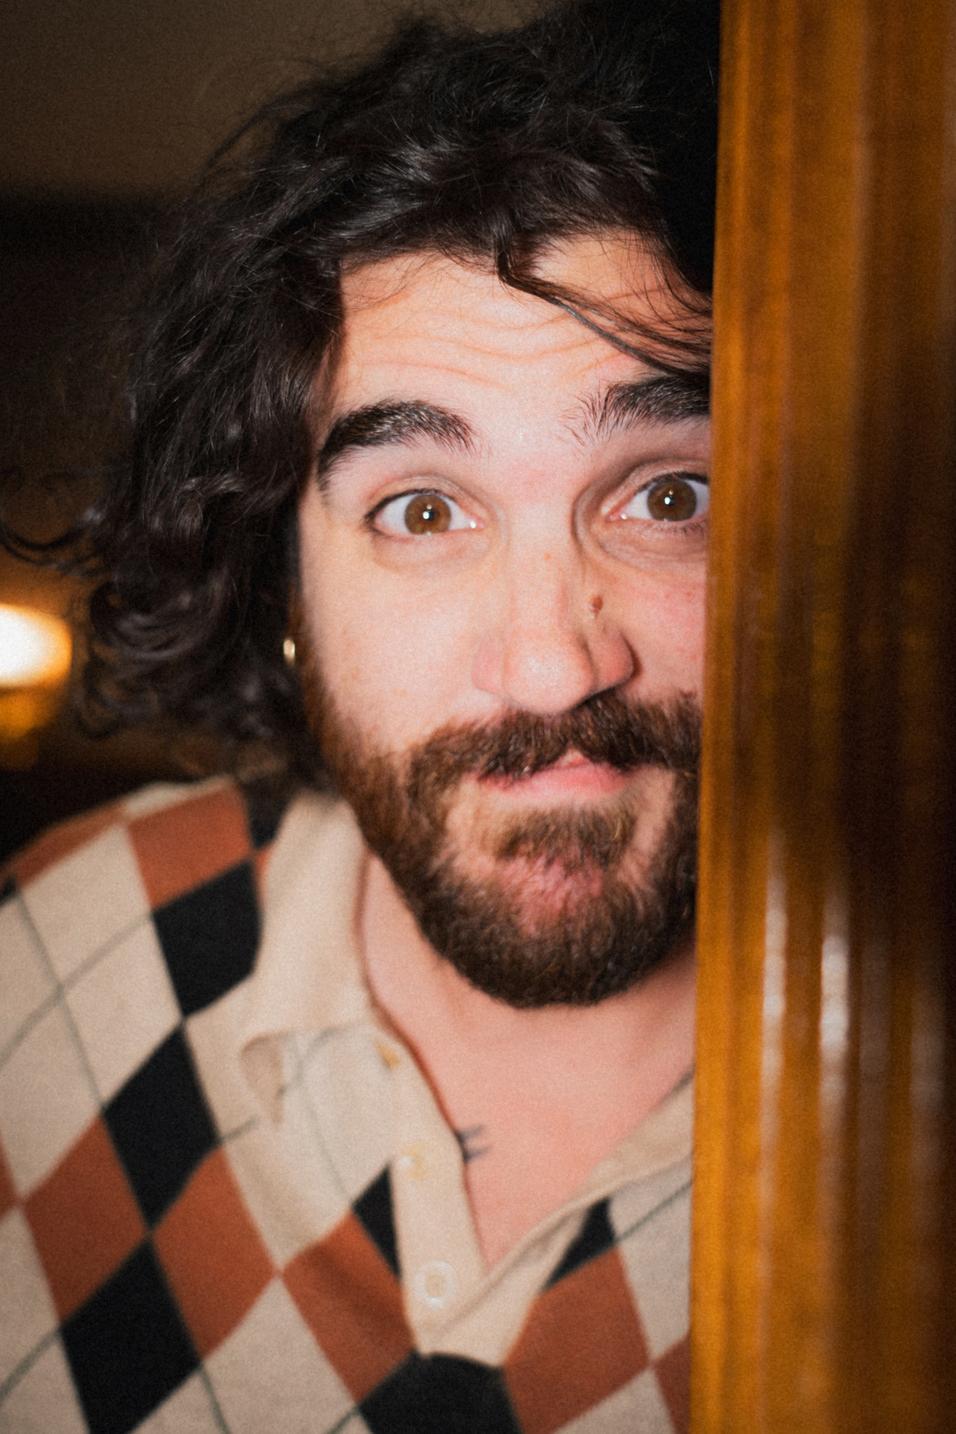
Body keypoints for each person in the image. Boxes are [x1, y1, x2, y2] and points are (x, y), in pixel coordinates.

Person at [0, 0, 717, 1428]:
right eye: (422, 510)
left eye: (666, 495)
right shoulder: (54, 964)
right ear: (284, 583)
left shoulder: (900, 1129)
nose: (552, 667)